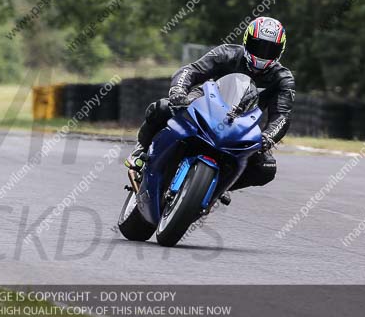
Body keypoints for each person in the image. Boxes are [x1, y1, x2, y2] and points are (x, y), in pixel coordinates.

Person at [124, 16, 295, 194]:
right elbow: (191, 70)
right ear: (246, 41)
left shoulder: (282, 78)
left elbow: (282, 115)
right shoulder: (227, 53)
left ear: (280, 51)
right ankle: (141, 150)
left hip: (243, 125)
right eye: (257, 46)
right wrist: (179, 91)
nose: (262, 54)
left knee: (266, 168)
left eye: (270, 50)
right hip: (205, 102)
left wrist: (267, 137)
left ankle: (217, 187)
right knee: (162, 108)